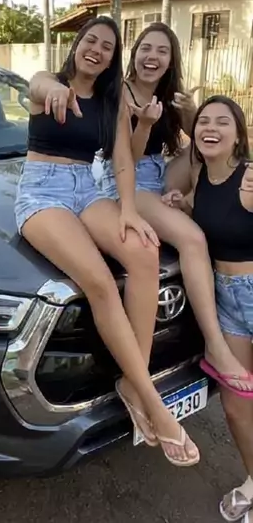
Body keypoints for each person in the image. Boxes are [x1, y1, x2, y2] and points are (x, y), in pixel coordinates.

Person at [16, 15, 200, 466]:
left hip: (89, 190)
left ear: (113, 59)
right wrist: (54, 90)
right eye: (91, 41)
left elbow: (121, 159)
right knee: (99, 280)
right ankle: (151, 398)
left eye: (107, 47)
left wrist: (130, 211)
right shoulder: (48, 84)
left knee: (144, 251)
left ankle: (132, 382)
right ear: (77, 44)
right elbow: (38, 86)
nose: (96, 50)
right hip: (43, 191)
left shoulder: (110, 100)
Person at [99, 22, 253, 394]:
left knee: (203, 151)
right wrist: (144, 123)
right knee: (193, 239)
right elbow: (126, 158)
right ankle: (215, 346)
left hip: (160, 174)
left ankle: (209, 197)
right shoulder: (119, 92)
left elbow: (198, 142)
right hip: (127, 177)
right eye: (146, 48)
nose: (152, 57)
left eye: (162, 51)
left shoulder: (169, 97)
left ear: (171, 61)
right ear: (134, 54)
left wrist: (191, 115)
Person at [163, 95, 253, 522]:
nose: (211, 128)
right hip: (226, 301)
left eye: (222, 122)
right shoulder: (201, 176)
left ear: (238, 136)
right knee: (236, 406)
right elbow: (205, 215)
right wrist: (182, 206)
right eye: (203, 122)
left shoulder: (249, 175)